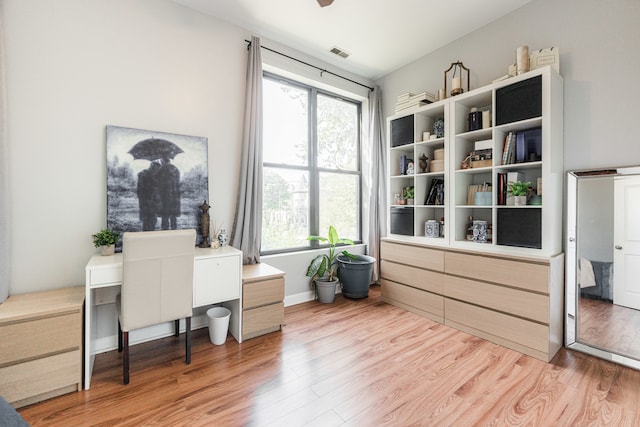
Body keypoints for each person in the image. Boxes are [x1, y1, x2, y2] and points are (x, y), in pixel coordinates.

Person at [156, 156, 181, 230]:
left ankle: (165, 232)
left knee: (165, 216)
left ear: (163, 160)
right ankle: (174, 231)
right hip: (174, 197)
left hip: (165, 197)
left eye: (161, 161)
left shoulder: (162, 169)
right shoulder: (176, 169)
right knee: (173, 217)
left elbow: (157, 182)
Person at [136, 161, 161, 231]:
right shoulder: (144, 175)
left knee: (151, 221)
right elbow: (141, 190)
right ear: (152, 168)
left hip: (151, 203)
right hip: (146, 203)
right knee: (147, 221)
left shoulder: (151, 175)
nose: (157, 171)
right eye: (157, 169)